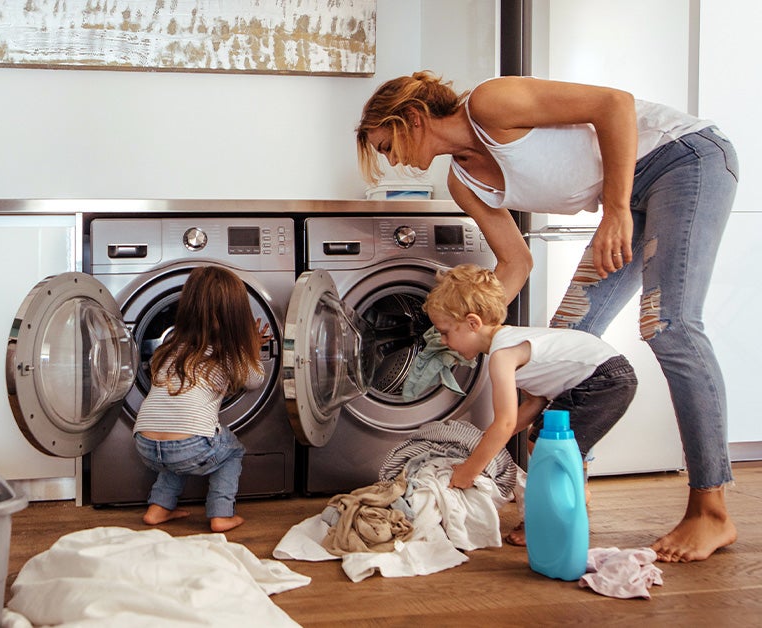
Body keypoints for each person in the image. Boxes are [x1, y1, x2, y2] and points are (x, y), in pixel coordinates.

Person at [355, 71, 739, 562]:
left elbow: (614, 104)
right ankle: (566, 490)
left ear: (412, 117)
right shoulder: (463, 182)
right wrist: (462, 326)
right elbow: (516, 264)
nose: (391, 160)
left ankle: (711, 508)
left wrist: (616, 211)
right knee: (561, 344)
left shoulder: (491, 103)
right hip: (631, 195)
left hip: (683, 160)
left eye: (387, 145)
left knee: (669, 326)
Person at [424, 263, 637, 544]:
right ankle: (571, 498)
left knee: (545, 444)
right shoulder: (510, 343)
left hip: (602, 379)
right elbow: (534, 404)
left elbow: (506, 422)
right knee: (548, 441)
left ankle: (551, 516)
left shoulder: (502, 355)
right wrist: (485, 442)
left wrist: (469, 470)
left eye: (445, 332)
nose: (443, 341)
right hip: (604, 375)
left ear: (473, 323)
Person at [133, 265, 271, 533]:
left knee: (176, 443)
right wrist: (251, 348)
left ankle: (158, 508)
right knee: (231, 451)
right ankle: (221, 514)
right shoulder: (229, 353)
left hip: (144, 443)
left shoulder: (171, 346)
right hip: (190, 446)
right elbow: (255, 380)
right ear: (237, 315)